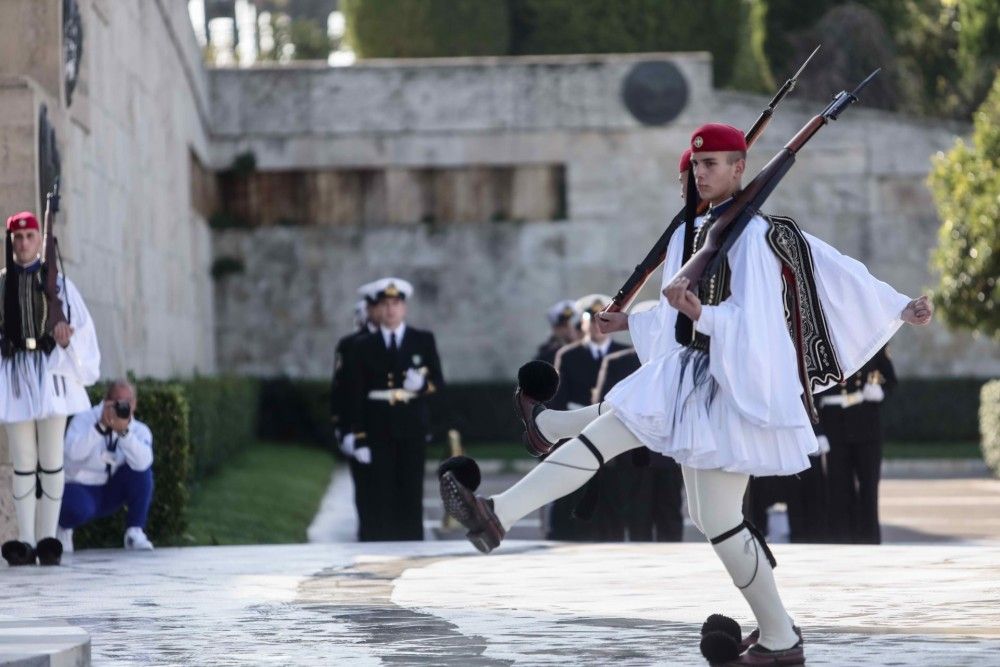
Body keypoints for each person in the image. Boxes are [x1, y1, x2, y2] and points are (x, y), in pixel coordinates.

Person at [440, 123, 933, 664]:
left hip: (731, 385)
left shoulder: (755, 235)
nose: (701, 173)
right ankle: (780, 637)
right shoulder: (690, 232)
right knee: (713, 516)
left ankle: (500, 511)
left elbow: (796, 295)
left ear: (741, 169)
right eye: (697, 165)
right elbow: (675, 316)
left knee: (618, 438)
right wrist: (629, 321)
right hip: (689, 373)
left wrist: (898, 306)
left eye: (715, 164)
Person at [1, 211, 100, 567]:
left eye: (29, 236)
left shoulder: (58, 284)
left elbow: (80, 327)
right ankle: (26, 541)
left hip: (51, 374)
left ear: (39, 238)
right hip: (14, 376)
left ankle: (48, 538)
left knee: (52, 458)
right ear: (10, 241)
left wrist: (66, 338)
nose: (23, 243)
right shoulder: (2, 283)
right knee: (24, 459)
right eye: (17, 237)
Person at [342, 277, 445, 541]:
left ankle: (411, 547)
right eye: (385, 304)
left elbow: (439, 383)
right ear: (378, 308)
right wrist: (359, 436)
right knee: (381, 492)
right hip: (378, 428)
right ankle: (380, 549)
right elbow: (354, 394)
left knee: (411, 492)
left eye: (396, 303)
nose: (390, 309)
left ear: (404, 308)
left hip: (411, 427)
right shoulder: (363, 346)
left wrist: (422, 385)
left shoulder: (422, 339)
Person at [592, 300, 684, 543]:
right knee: (636, 516)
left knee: (670, 515)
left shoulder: (677, 360)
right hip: (633, 455)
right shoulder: (618, 361)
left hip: (669, 453)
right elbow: (606, 404)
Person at [546, 294, 629, 541]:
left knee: (612, 499)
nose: (597, 327)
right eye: (592, 320)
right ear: (582, 324)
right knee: (575, 495)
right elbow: (559, 400)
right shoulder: (568, 355)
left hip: (614, 436)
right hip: (579, 433)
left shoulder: (625, 354)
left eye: (603, 320)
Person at [57, 380, 154, 552]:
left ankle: (134, 531)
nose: (121, 407)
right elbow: (71, 453)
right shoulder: (84, 419)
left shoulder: (139, 430)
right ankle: (63, 527)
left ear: (134, 404)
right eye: (117, 401)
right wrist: (100, 427)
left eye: (127, 402)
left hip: (111, 490)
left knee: (142, 472)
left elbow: (144, 463)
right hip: (81, 488)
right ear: (106, 400)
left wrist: (124, 433)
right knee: (76, 507)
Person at [819, 345, 896, 544]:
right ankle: (841, 543)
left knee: (869, 489)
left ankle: (869, 543)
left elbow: (887, 377)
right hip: (834, 424)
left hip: (866, 424)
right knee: (839, 490)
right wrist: (817, 430)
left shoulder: (873, 340)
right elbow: (812, 387)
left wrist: (878, 389)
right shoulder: (824, 341)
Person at [331, 286, 381, 540]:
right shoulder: (349, 345)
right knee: (363, 484)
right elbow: (341, 390)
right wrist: (343, 429)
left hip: (383, 425)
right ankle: (367, 531)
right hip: (357, 427)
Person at [534, 300, 580, 365]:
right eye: (564, 326)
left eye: (574, 325)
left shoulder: (588, 350)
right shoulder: (548, 354)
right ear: (555, 329)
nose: (570, 330)